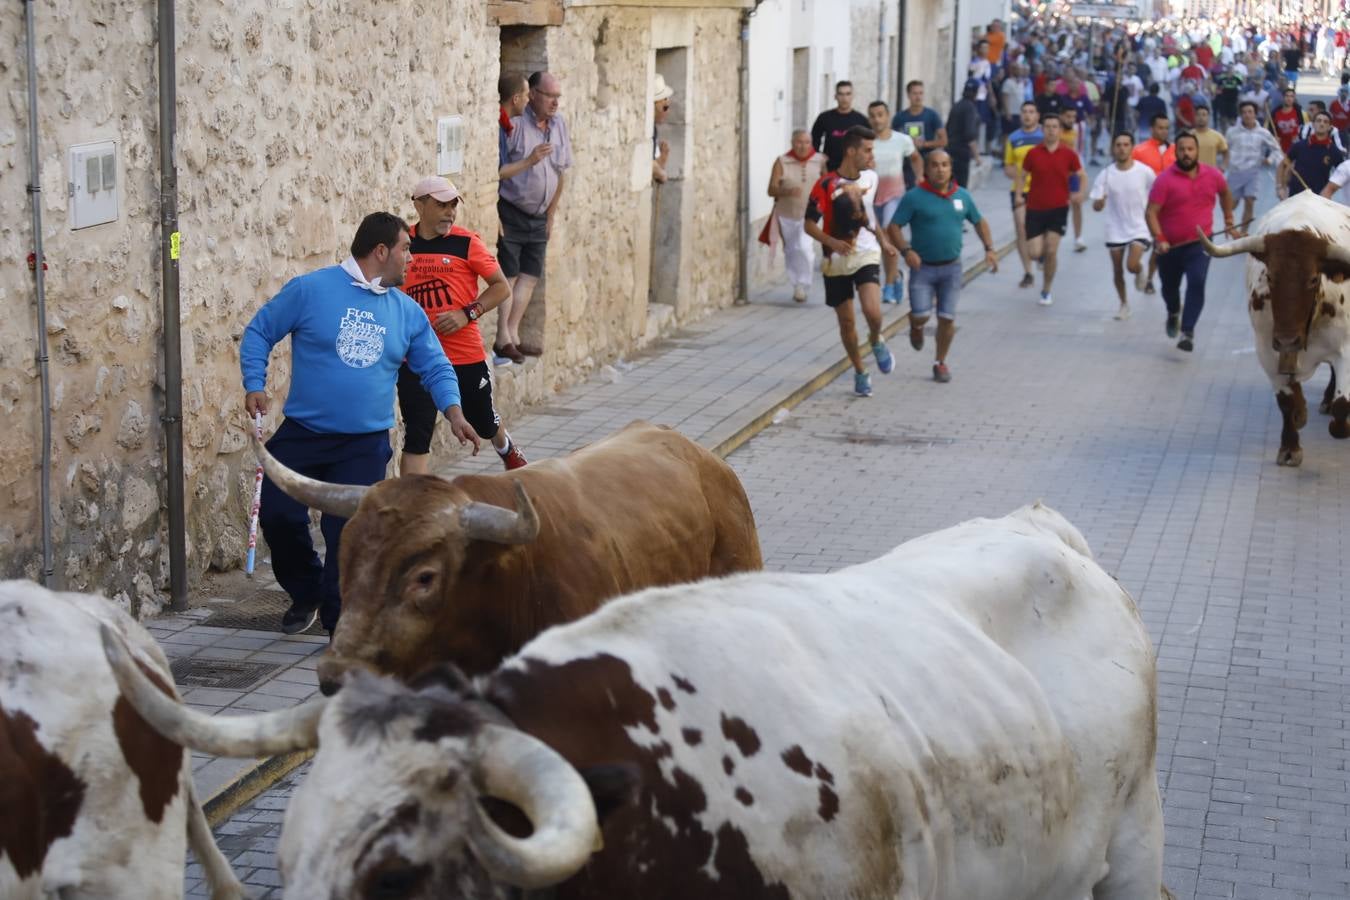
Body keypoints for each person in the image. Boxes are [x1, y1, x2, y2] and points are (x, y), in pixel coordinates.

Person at [241, 212, 480, 635]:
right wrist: (254, 383)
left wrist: (455, 411)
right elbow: (260, 331)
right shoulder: (311, 290)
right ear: (382, 251)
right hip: (303, 434)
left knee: (347, 534)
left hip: (364, 444)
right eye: (406, 248)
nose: (412, 257)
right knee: (277, 514)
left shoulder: (407, 312)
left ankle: (339, 627)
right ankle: (307, 590)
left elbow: (437, 367)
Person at [397, 176, 525, 477]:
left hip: (463, 354)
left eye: (453, 205)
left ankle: (506, 447)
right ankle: (413, 509)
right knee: (417, 435)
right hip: (416, 357)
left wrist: (467, 313)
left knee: (482, 420)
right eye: (441, 205)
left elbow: (500, 287)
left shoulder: (467, 243)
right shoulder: (403, 243)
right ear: (419, 205)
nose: (450, 212)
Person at [803, 126, 898, 398]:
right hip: (835, 260)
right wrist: (831, 242)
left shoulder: (872, 178)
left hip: (866, 254)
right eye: (867, 150)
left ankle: (876, 340)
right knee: (847, 323)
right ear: (851, 151)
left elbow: (869, 215)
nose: (872, 155)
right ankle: (860, 370)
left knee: (873, 311)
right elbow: (809, 225)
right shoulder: (825, 185)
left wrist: (884, 242)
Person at [887, 150, 998, 384]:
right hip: (923, 268)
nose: (940, 169)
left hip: (952, 269)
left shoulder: (962, 196)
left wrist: (989, 248)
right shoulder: (915, 197)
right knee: (921, 314)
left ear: (951, 168)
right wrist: (906, 251)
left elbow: (979, 221)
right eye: (935, 165)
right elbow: (894, 226)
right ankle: (915, 326)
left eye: (945, 165)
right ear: (926, 170)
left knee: (947, 318)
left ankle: (940, 362)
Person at [498, 71, 573, 362]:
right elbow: (500, 169)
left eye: (557, 97)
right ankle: (502, 336)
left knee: (529, 276)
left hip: (541, 216)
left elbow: (560, 173)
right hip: (513, 210)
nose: (554, 102)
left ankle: (513, 334)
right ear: (533, 95)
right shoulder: (515, 125)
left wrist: (551, 215)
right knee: (509, 274)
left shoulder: (559, 125)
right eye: (549, 95)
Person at [1145, 131, 1238, 352]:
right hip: (1170, 247)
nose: (1186, 154)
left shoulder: (1213, 175)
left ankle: (1188, 331)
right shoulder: (1165, 180)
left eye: (1190, 149)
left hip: (1200, 244)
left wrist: (1228, 219)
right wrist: (1159, 239)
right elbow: (1151, 213)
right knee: (1170, 288)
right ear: (1175, 152)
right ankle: (1173, 312)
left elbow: (1225, 193)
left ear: (1197, 151)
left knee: (1196, 282)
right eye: (1182, 150)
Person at [1015, 113, 1085, 307]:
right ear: (1042, 129)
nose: (1051, 130)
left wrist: (1080, 192)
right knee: (1035, 252)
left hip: (1058, 209)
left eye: (1055, 126)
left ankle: (1046, 290)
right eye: (1047, 126)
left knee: (1052, 250)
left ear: (1060, 131)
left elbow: (1081, 174)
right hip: (1035, 209)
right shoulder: (1033, 153)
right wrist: (1019, 195)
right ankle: (1041, 257)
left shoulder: (1069, 153)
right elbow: (1022, 175)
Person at [1090, 131, 1156, 321]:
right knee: (1117, 269)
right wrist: (1099, 203)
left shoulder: (1144, 171)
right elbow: (1095, 205)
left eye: (1126, 144)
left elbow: (1157, 194)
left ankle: (1139, 270)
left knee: (1131, 265)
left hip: (1139, 226)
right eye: (1118, 145)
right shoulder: (1106, 174)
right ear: (1113, 148)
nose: (1122, 148)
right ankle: (1124, 304)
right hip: (1115, 227)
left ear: (1132, 148)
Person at [866, 101, 922, 303]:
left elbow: (915, 158)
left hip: (895, 195)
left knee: (888, 235)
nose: (877, 119)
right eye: (872, 115)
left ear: (887, 116)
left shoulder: (902, 140)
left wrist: (919, 179)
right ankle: (896, 276)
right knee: (880, 241)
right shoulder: (866, 141)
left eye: (880, 114)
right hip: (871, 197)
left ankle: (888, 286)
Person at [764, 130, 826, 303]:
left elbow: (828, 185)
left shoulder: (820, 161)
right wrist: (786, 191)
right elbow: (771, 189)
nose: (803, 146)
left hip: (811, 214)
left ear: (811, 143)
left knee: (805, 248)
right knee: (791, 249)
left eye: (806, 142)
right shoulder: (782, 162)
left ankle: (804, 282)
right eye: (799, 142)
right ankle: (796, 285)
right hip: (787, 213)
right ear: (792, 142)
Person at [1004, 100, 1044, 289]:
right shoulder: (1013, 138)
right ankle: (1028, 272)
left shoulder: (1045, 136)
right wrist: (1019, 175)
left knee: (1040, 229)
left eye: (1031, 111)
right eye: (1024, 112)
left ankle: (1041, 253)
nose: (1028, 115)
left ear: (1037, 115)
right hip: (1019, 191)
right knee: (1021, 228)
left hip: (1042, 190)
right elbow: (1008, 166)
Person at [1225, 100, 1284, 226]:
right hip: (1235, 172)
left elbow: (1276, 149)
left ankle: (1243, 233)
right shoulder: (1232, 132)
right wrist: (1224, 165)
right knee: (1231, 205)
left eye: (1250, 112)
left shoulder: (1263, 133)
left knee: (1249, 201)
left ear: (1255, 114)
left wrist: (1269, 160)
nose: (1247, 115)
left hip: (1253, 173)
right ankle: (1229, 227)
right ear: (1240, 115)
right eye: (1244, 112)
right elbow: (1224, 149)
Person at [894, 80, 948, 189]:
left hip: (928, 164)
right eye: (915, 93)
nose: (918, 97)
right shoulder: (900, 117)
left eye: (921, 93)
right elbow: (893, 140)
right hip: (907, 166)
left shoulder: (932, 115)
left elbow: (944, 141)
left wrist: (924, 144)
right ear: (908, 95)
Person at [1279, 110, 1347, 197]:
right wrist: (1281, 187)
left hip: (1318, 198)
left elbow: (1343, 175)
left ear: (1330, 127)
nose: (1321, 124)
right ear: (1313, 124)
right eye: (1318, 121)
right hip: (1295, 196)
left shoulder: (1334, 152)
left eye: (1325, 122)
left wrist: (1330, 191)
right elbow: (1283, 165)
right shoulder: (1299, 146)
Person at [810, 81, 870, 172]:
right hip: (829, 168)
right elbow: (814, 139)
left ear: (853, 96)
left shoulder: (861, 120)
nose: (844, 98)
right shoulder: (825, 118)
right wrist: (818, 156)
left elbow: (869, 144)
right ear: (835, 96)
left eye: (848, 94)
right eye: (841, 94)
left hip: (854, 169)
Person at [946, 79, 982, 188]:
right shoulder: (970, 108)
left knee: (951, 186)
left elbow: (947, 128)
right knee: (960, 188)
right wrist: (977, 157)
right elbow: (969, 134)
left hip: (950, 150)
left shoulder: (957, 105)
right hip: (961, 153)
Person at [651, 74, 674, 184]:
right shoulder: (646, 131)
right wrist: (661, 174)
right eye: (665, 107)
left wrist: (661, 162)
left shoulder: (653, 129)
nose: (667, 112)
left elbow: (653, 163)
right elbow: (647, 163)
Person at [1272, 88, 1304, 153]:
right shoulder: (1275, 113)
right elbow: (1271, 129)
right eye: (1287, 96)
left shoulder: (1299, 112)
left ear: (1294, 98)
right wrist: (1274, 137)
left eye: (1291, 96)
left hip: (1295, 148)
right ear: (1282, 97)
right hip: (1280, 149)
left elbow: (1303, 127)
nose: (1289, 98)